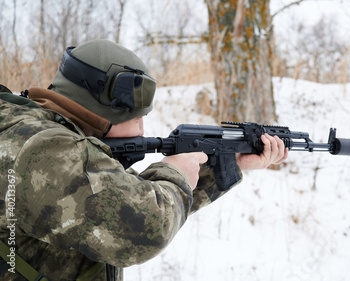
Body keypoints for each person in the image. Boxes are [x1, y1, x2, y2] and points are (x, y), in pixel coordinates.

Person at [0, 39, 287, 281]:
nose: (141, 130)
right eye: (136, 118)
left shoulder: (41, 133)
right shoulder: (39, 149)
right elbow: (142, 227)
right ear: (99, 111)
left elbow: (107, 201)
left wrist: (227, 163)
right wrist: (174, 173)